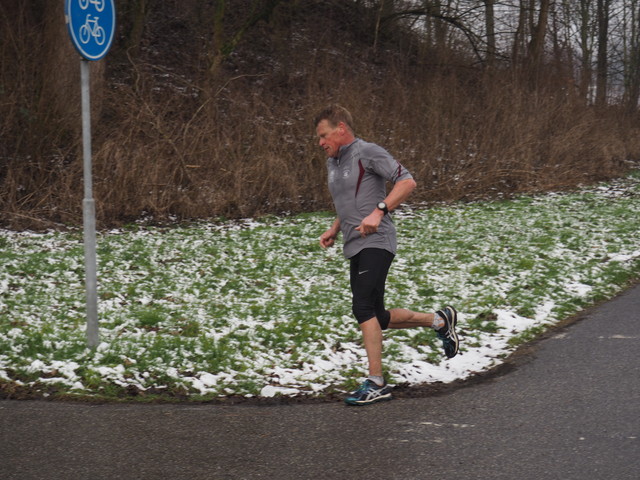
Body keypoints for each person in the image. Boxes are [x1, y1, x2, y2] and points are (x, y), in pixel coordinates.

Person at [314, 104, 459, 406]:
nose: (320, 142)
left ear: (341, 128)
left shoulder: (367, 152)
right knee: (377, 316)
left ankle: (376, 382)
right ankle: (440, 322)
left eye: (324, 135)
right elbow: (349, 202)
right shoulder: (333, 163)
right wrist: (335, 228)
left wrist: (381, 211)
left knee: (362, 307)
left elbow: (407, 181)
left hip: (377, 240)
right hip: (354, 243)